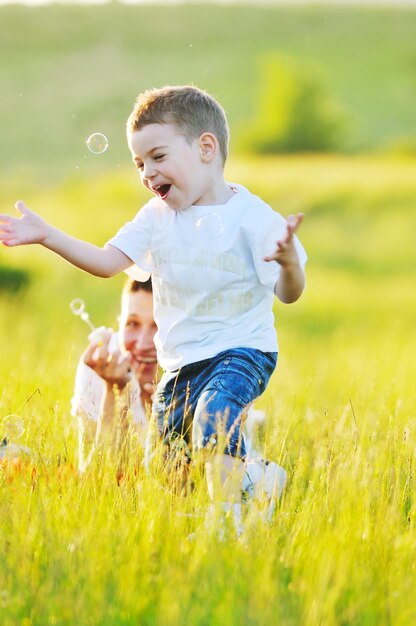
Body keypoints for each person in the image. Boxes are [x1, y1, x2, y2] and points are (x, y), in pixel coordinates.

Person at [0, 85, 306, 535]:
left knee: (214, 414)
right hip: (181, 362)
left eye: (158, 157)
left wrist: (289, 263)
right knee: (163, 465)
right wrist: (48, 236)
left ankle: (226, 525)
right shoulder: (155, 217)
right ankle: (257, 479)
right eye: (139, 163)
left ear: (206, 147)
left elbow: (289, 293)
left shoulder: (254, 218)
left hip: (242, 350)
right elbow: (107, 263)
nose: (147, 172)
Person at [71, 277, 157, 474]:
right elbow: (94, 486)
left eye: (158, 324)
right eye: (133, 323)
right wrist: (114, 392)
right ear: (120, 324)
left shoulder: (202, 370)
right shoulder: (98, 365)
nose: (144, 344)